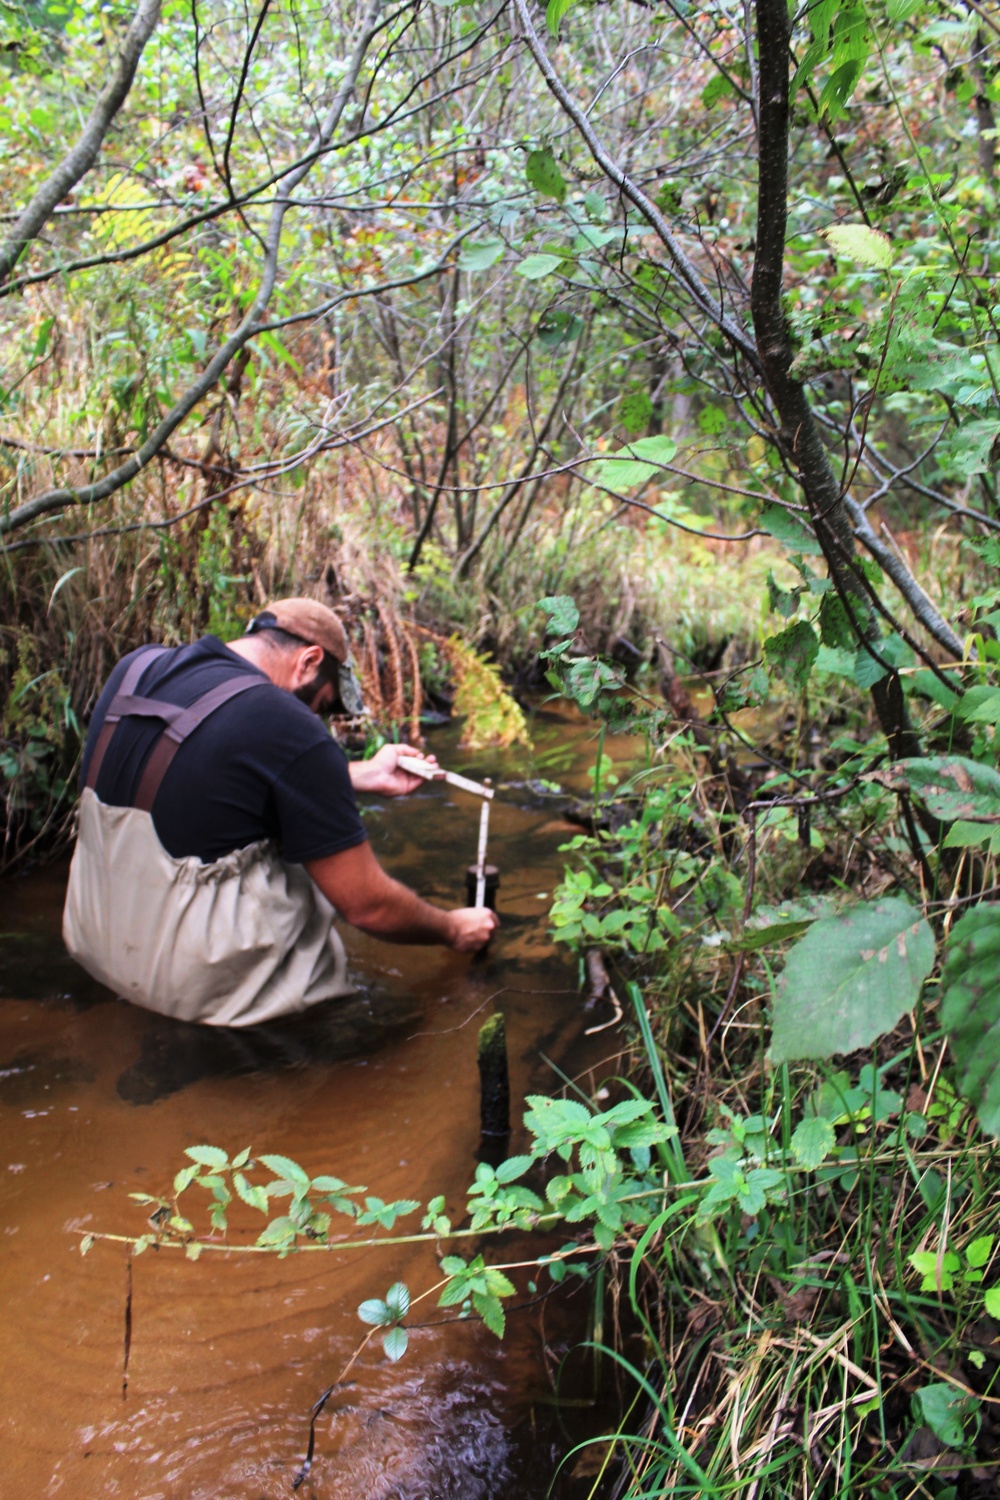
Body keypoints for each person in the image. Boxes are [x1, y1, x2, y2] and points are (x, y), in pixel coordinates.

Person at [63, 597, 499, 1027]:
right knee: (400, 1027)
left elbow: (207, 774)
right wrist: (452, 928)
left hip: (96, 942)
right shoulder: (290, 725)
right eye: (326, 706)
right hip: (193, 994)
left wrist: (354, 774)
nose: (322, 720)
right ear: (308, 661)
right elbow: (366, 906)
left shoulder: (138, 667)